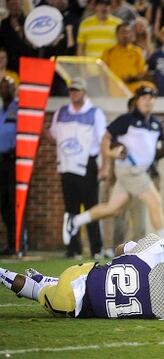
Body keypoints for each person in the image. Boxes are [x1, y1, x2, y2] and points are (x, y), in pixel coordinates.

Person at [62, 86, 164, 255]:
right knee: (155, 201)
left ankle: (75, 221)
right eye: (144, 97)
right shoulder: (126, 120)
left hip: (139, 171)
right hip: (129, 169)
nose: (148, 101)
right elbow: (106, 137)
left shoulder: (155, 123)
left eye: (151, 98)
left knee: (113, 208)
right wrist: (109, 153)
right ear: (136, 100)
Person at [0, 234, 164, 319]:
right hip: (77, 306)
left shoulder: (157, 249)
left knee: (63, 284)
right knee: (40, 291)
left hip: (83, 273)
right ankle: (31, 282)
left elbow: (121, 249)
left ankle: (27, 278)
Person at [48, 78, 106, 259]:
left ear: (84, 92)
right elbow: (54, 136)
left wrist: (104, 166)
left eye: (77, 90)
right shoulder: (61, 112)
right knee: (70, 208)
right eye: (72, 90)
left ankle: (96, 249)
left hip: (88, 164)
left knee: (91, 207)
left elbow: (103, 140)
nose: (74, 93)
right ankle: (73, 249)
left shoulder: (96, 113)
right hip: (67, 164)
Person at [101, 23, 147, 92]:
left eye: (128, 32)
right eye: (122, 32)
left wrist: (132, 78)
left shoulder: (137, 51)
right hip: (114, 92)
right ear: (116, 35)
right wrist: (105, 90)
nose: (125, 35)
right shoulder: (109, 52)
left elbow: (142, 73)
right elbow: (103, 74)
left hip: (133, 91)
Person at [0, 76, 17, 255]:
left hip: (11, 161)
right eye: (2, 86)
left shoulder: (18, 109)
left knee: (12, 203)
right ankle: (7, 244)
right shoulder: (0, 109)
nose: (4, 89)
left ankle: (15, 244)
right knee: (3, 204)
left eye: (8, 86)